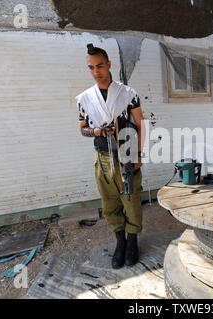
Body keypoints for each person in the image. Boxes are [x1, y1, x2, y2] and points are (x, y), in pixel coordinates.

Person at [76, 44, 144, 269]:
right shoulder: (85, 99)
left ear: (109, 65)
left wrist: (139, 155)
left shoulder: (128, 94)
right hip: (103, 158)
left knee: (131, 199)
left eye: (100, 66)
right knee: (110, 203)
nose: (96, 71)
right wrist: (96, 131)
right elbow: (83, 128)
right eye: (91, 67)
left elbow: (141, 124)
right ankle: (120, 243)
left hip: (127, 154)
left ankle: (132, 242)